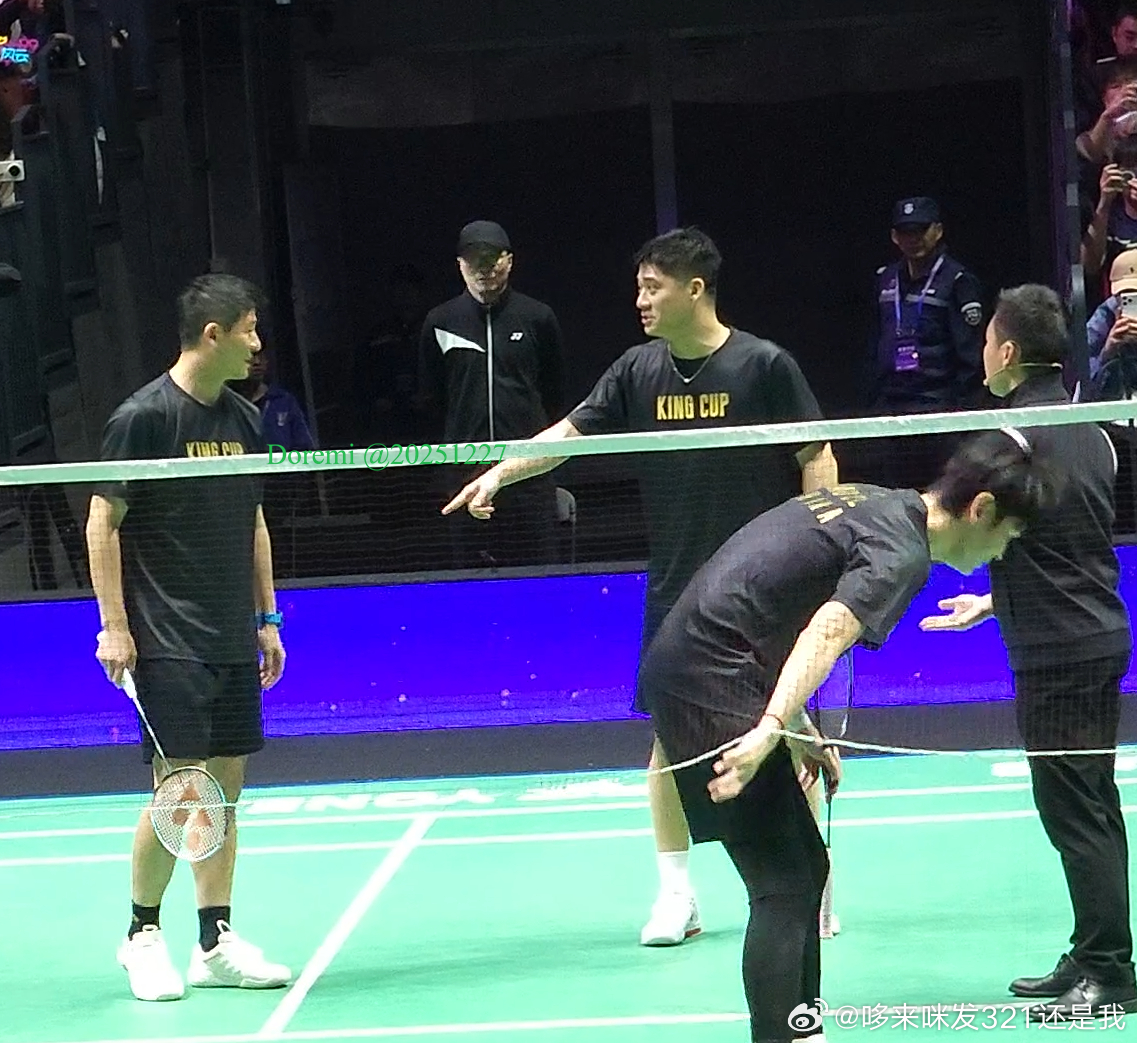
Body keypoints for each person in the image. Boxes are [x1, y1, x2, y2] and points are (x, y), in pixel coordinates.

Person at [444, 227, 839, 946]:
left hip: (765, 588)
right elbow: (566, 435)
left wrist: (820, 550)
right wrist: (501, 471)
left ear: (696, 289)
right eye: (638, 287)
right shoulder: (636, 369)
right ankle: (676, 895)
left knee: (783, 734)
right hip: (678, 591)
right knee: (667, 742)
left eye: (653, 287)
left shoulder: (763, 365)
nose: (640, 301)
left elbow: (817, 455)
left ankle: (812, 885)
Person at [642, 432, 1053, 1042]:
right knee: (781, 883)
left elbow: (772, 606)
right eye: (1007, 536)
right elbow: (828, 630)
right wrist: (770, 729)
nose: (1001, 551)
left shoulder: (877, 502)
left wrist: (801, 731)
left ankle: (803, 1031)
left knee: (804, 870)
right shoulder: (902, 552)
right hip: (711, 678)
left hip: (709, 664)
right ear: (982, 508)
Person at [921, 284, 1137, 1021]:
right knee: (1090, 803)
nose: (982, 351)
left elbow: (948, 522)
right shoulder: (1092, 429)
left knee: (1075, 811)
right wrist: (992, 600)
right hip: (1095, 636)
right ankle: (1093, 947)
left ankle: (1110, 972)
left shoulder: (1006, 440)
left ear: (1007, 351)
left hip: (1058, 653)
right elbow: (1062, 541)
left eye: (987, 340)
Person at [86, 274, 292, 1002]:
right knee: (181, 792)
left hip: (230, 633)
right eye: (249, 330)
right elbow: (102, 522)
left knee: (224, 794)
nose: (257, 344)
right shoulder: (143, 417)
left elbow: (253, 521)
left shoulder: (244, 418)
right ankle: (141, 934)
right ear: (214, 334)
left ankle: (214, 940)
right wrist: (115, 625)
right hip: (165, 636)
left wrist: (267, 618)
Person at [420, 220, 565, 568]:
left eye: (492, 258)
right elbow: (432, 398)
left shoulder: (538, 317)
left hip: (528, 474)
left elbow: (555, 392)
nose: (483, 269)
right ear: (460, 265)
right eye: (474, 260)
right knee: (471, 580)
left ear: (509, 261)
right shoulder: (439, 322)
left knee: (539, 576)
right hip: (464, 475)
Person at [862, 197, 985, 490]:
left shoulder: (958, 280)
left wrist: (957, 415)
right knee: (895, 498)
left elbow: (970, 359)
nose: (913, 238)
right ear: (894, 236)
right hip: (893, 414)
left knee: (942, 498)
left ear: (938, 231)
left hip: (939, 414)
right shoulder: (885, 279)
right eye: (906, 231)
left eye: (920, 230)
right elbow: (874, 342)